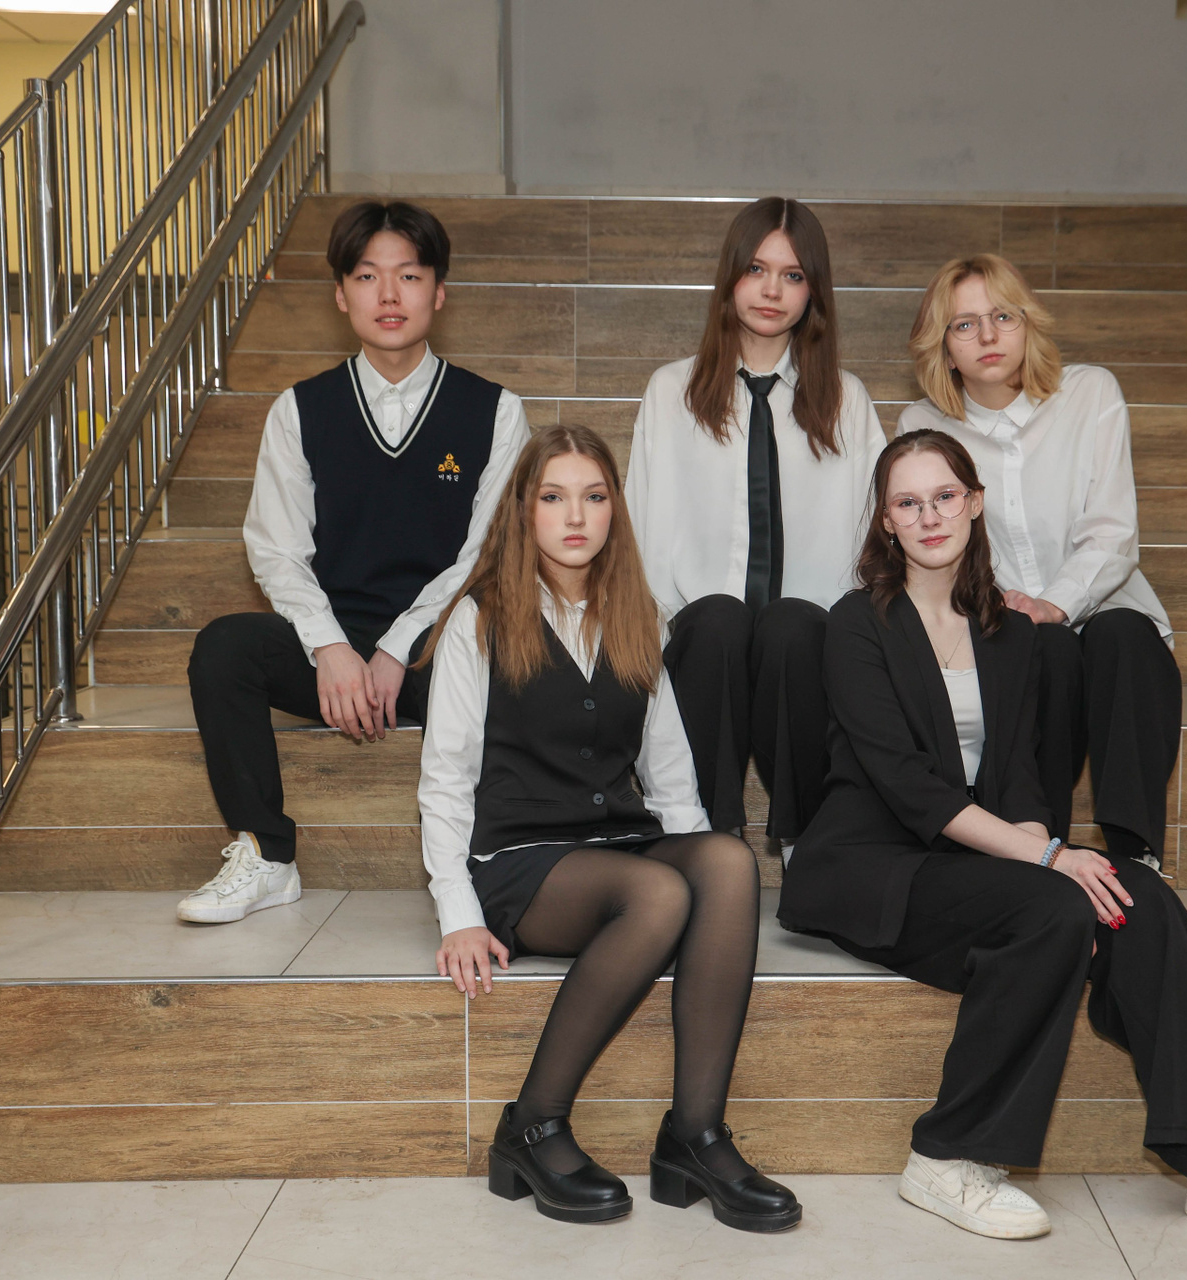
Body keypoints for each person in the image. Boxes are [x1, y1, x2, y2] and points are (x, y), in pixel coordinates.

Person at [778, 430, 1187, 1267]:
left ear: (974, 502)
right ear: (885, 521)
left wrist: (1048, 853)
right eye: (907, 503)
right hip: (872, 865)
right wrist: (1046, 863)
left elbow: (1025, 781)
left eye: (944, 496)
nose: (929, 516)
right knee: (1054, 911)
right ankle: (945, 1156)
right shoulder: (858, 623)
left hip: (974, 860)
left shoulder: (1009, 633)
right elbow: (908, 788)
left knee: (1143, 902)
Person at [419, 424, 800, 1232]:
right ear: (523, 510)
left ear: (614, 510)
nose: (575, 516)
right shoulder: (478, 620)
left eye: (594, 497)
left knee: (727, 863)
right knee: (659, 894)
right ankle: (532, 1124)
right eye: (554, 497)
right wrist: (457, 912)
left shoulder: (636, 616)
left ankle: (695, 1136)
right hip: (521, 860)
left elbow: (670, 772)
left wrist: (705, 865)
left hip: (616, 845)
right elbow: (445, 779)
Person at [177, 201, 527, 924]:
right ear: (341, 295)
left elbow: (486, 554)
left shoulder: (495, 411)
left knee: (520, 656)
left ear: (439, 291)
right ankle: (268, 855)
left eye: (409, 276)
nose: (389, 295)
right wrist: (331, 648)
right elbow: (275, 548)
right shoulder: (300, 409)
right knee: (224, 648)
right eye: (367, 277)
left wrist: (399, 647)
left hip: (442, 648)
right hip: (332, 647)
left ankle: (501, 855)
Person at [625, 197, 886, 855]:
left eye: (793, 275)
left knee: (791, 625)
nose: (772, 291)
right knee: (718, 618)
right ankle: (710, 843)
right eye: (757, 270)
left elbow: (877, 536)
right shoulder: (672, 392)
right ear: (731, 277)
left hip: (805, 652)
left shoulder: (847, 399)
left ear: (813, 291)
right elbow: (638, 528)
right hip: (701, 645)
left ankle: (807, 845)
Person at [898, 254, 1177, 870]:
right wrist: (1023, 614)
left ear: (1028, 325)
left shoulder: (1090, 392)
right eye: (964, 324)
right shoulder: (923, 424)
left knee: (1124, 635)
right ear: (944, 347)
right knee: (1040, 646)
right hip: (1010, 630)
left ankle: (1137, 858)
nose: (988, 336)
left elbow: (1113, 531)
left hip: (1105, 612)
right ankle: (1040, 852)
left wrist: (1055, 603)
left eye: (1003, 316)